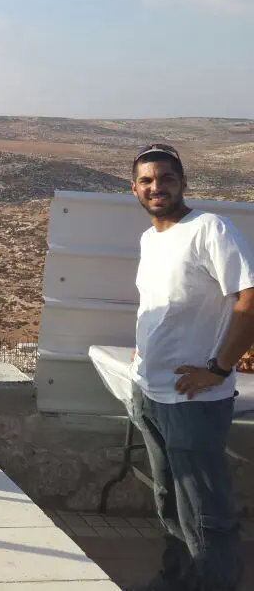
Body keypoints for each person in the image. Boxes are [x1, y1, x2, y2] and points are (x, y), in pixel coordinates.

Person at [127, 143, 254, 591]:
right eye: (146, 180)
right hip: (148, 391)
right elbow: (161, 303)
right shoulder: (150, 239)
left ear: (183, 183)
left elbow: (250, 298)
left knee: (205, 512)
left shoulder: (209, 229)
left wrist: (218, 369)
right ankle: (178, 580)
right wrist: (141, 352)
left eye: (166, 178)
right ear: (134, 188)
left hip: (193, 399)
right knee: (169, 500)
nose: (156, 187)